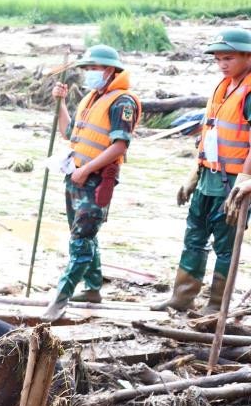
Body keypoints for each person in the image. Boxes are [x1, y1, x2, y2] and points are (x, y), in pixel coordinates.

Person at [43, 45, 141, 320]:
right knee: (84, 235)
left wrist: (86, 170)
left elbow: (120, 145)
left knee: (81, 239)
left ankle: (60, 299)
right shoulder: (91, 98)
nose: (88, 74)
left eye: (92, 69)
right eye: (86, 69)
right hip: (75, 175)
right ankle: (94, 288)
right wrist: (60, 103)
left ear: (109, 70)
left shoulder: (122, 102)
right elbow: (68, 132)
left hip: (95, 181)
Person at [161, 28, 251, 313]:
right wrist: (194, 175)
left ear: (248, 56)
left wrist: (246, 179)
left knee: (225, 245)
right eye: (218, 59)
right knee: (194, 236)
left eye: (229, 58)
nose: (223, 64)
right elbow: (211, 135)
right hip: (208, 178)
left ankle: (215, 306)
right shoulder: (223, 89)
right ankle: (181, 298)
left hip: (233, 184)